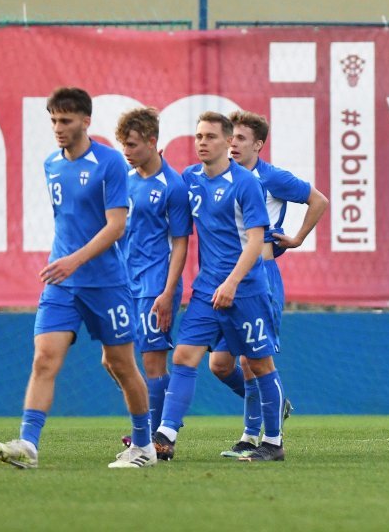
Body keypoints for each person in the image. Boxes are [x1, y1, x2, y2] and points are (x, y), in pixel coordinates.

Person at [0, 87, 156, 469]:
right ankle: (28, 445)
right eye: (53, 120)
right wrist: (64, 265)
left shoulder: (109, 163)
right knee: (44, 359)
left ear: (86, 121)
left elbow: (116, 226)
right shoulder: (51, 163)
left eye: (65, 120)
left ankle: (144, 446)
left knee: (121, 364)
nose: (58, 128)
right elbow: (67, 222)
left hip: (106, 284)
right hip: (62, 283)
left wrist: (74, 261)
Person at [152, 111, 288, 462]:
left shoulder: (246, 183)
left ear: (228, 142)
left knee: (259, 365)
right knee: (184, 356)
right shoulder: (190, 178)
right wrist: (154, 157)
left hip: (246, 289)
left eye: (210, 136)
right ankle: (165, 436)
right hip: (207, 289)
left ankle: (273, 442)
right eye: (199, 136)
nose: (202, 142)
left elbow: (256, 241)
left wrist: (232, 282)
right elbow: (163, 187)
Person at [208, 110, 329, 458]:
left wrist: (297, 238)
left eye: (241, 138)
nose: (233, 144)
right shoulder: (221, 177)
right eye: (231, 137)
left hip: (260, 277)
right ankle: (272, 403)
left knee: (252, 361)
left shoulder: (271, 176)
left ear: (258, 144)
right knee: (220, 364)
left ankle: (255, 437)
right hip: (227, 277)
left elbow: (318, 200)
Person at [112, 107, 191, 449]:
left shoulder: (172, 185)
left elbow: (180, 242)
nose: (126, 152)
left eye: (131, 145)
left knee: (152, 361)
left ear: (151, 141)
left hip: (155, 284)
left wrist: (168, 291)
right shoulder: (125, 181)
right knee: (114, 360)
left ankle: (153, 438)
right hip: (124, 283)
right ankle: (160, 421)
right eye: (123, 145)